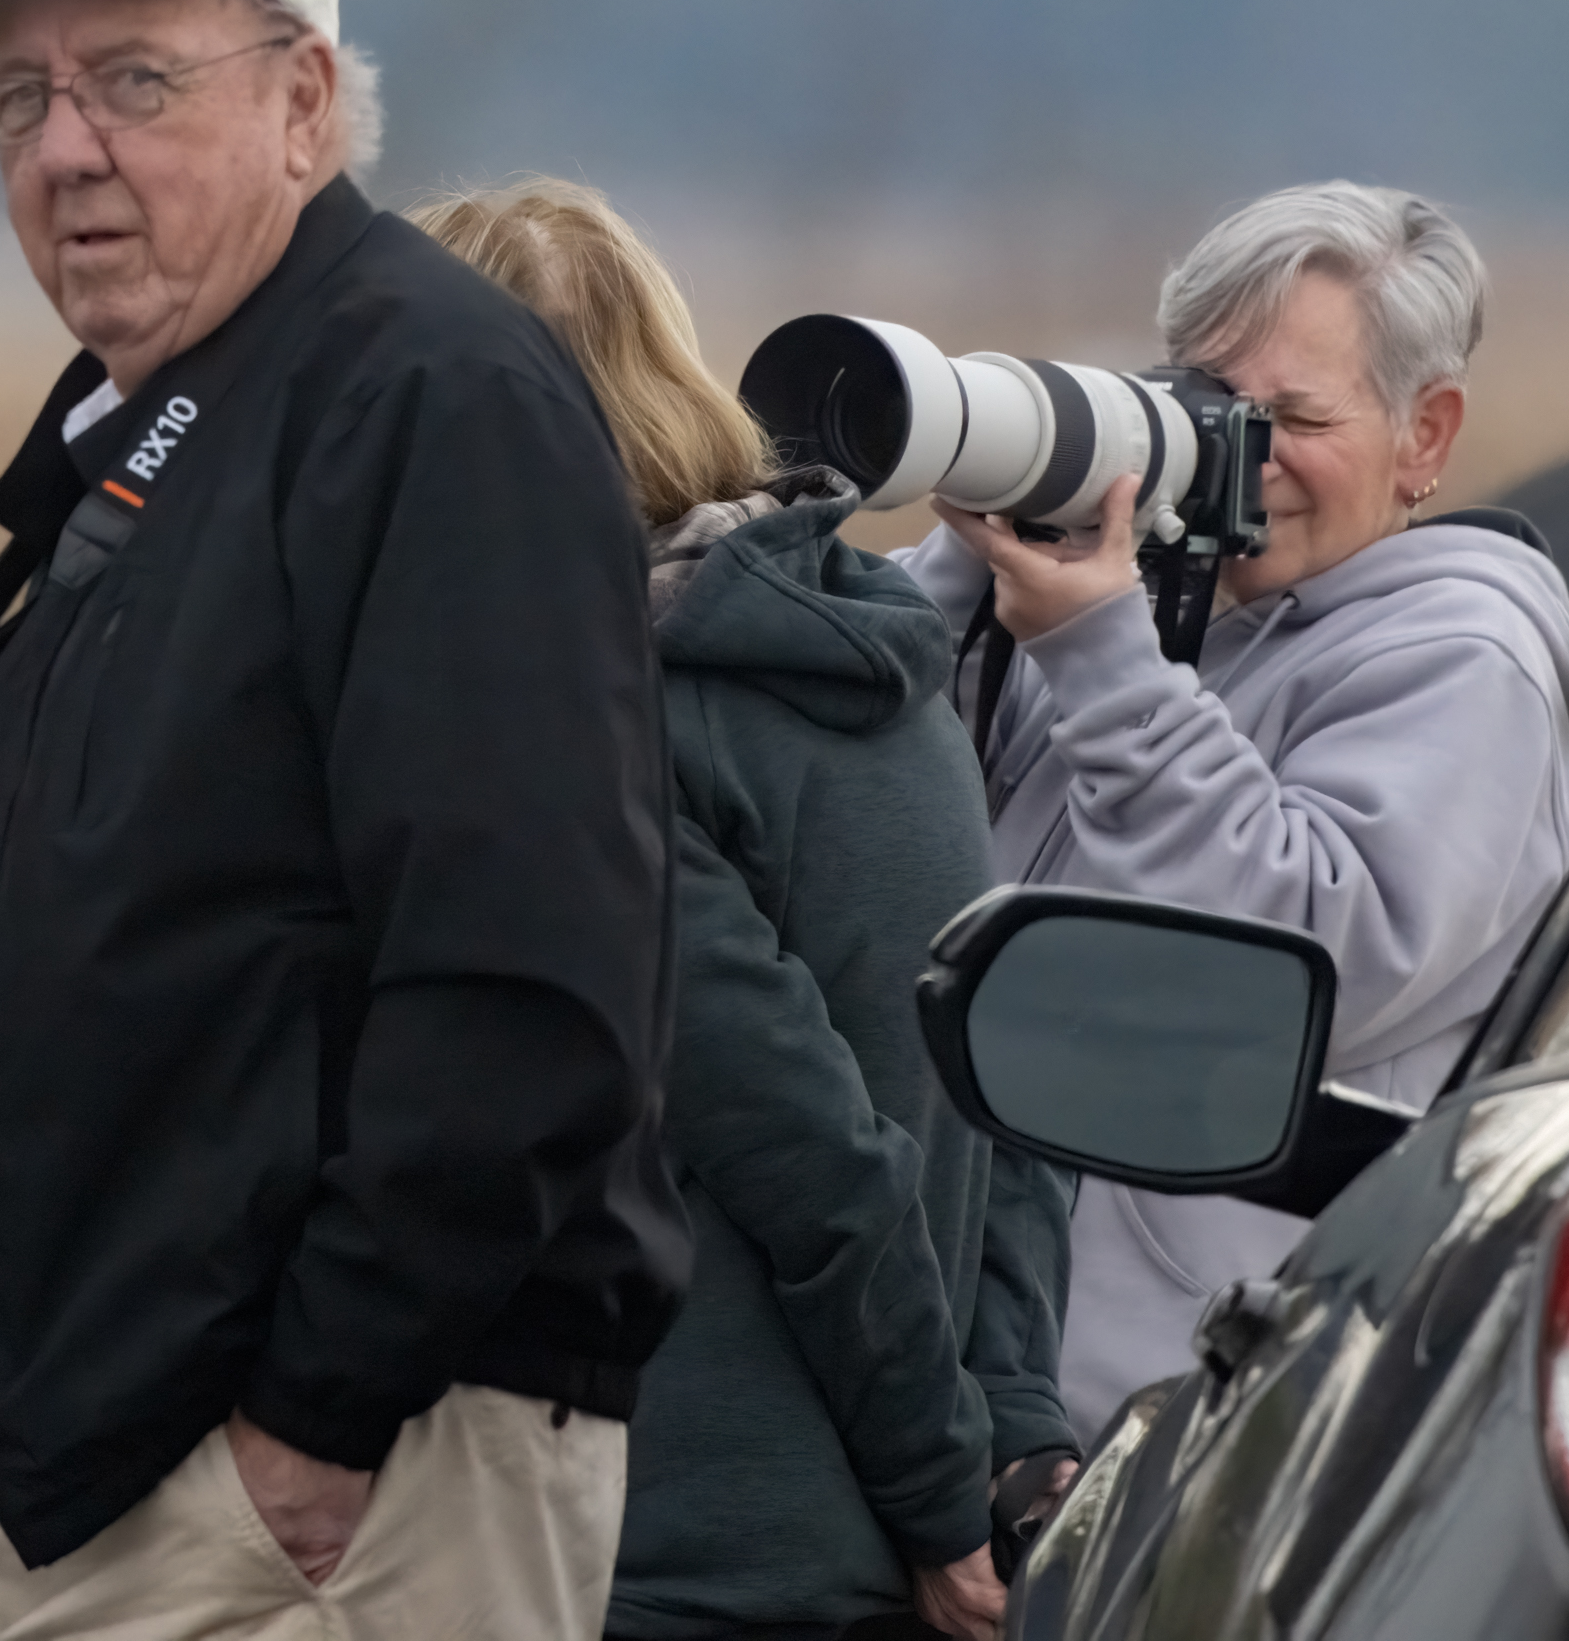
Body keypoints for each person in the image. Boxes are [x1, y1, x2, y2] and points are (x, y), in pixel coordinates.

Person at [0, 0, 686, 1637]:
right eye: (22, 101)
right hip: (117, 1483)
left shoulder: (427, 396)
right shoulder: (164, 429)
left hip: (317, 1511)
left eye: (136, 84)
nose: (68, 150)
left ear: (305, 106)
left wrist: (312, 1420)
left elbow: (528, 978)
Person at [413, 179, 1079, 1641]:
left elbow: (811, 1155)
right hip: (853, 1534)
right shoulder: (861, 649)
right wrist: (994, 1442)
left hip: (699, 1558)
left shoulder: (613, 720)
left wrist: (933, 1493)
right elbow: (1012, 1109)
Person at [895, 181, 1569, 1439]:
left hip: (1188, 1420)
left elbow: (1302, 942)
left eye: (1297, 419)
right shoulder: (1142, 603)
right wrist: (973, 555)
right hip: (960, 1394)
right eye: (1210, 407)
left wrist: (1108, 666)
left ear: (1425, 435)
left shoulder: (1467, 662)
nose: (1242, 458)